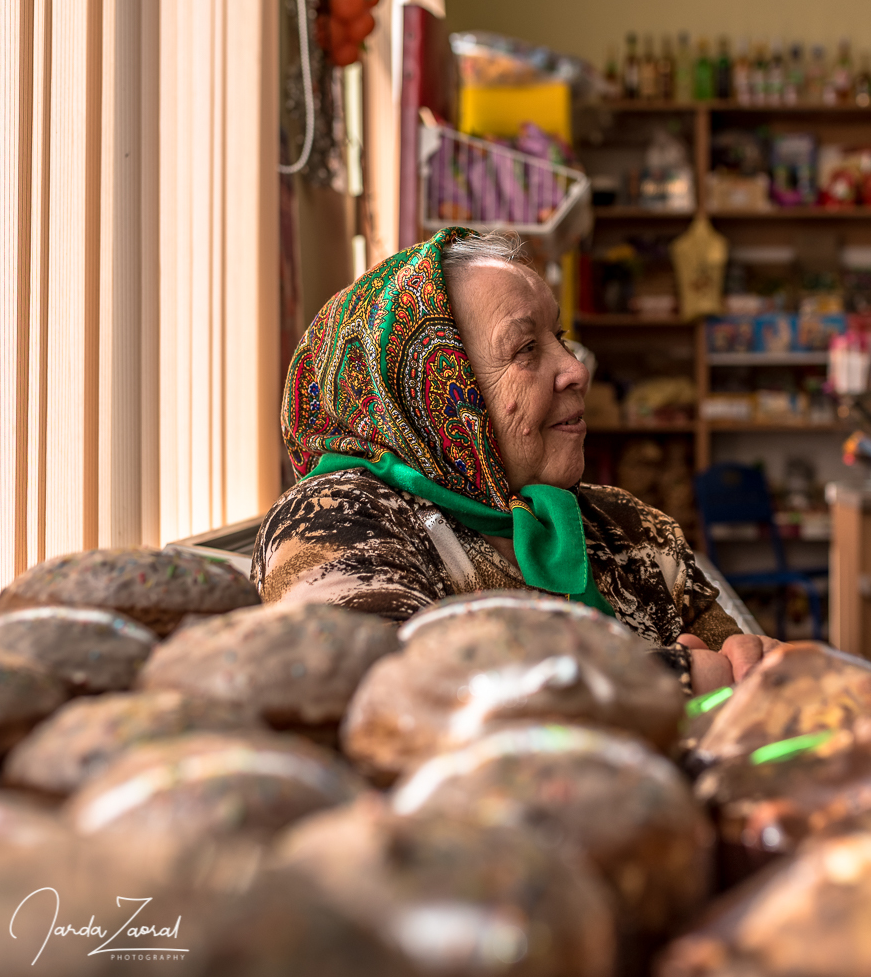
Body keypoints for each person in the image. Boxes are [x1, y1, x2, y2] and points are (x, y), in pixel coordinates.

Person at [253, 228, 779, 694]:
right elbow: (374, 688)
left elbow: (747, 670)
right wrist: (673, 680)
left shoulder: (629, 529)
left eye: (561, 338)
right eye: (527, 348)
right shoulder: (332, 517)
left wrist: (762, 670)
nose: (575, 369)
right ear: (434, 386)